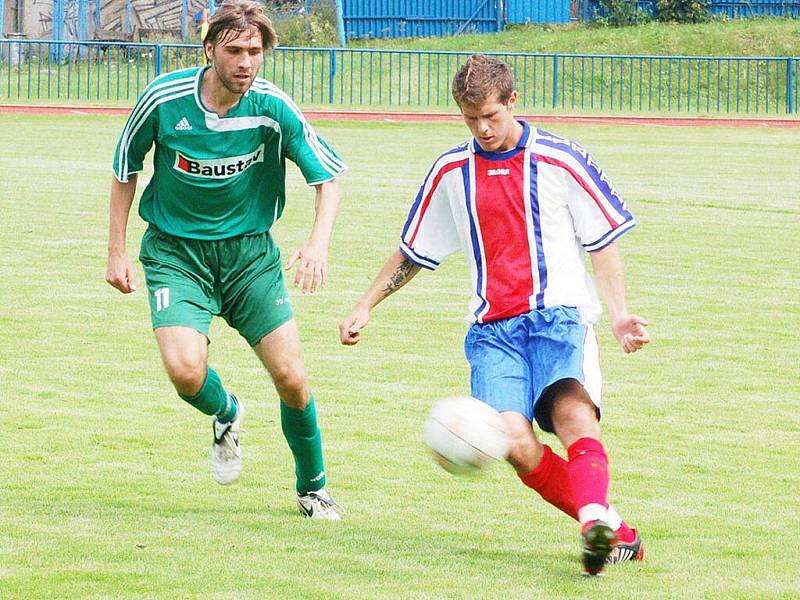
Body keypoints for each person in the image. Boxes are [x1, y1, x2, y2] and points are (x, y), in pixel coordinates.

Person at [339, 54, 649, 573]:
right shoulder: (451, 171)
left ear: (512, 100)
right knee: (515, 443)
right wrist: (364, 304)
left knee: (574, 417)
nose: (482, 128)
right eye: (470, 119)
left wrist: (619, 314)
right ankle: (608, 527)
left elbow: (603, 240)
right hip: (492, 334)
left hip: (558, 319)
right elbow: (413, 251)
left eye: (490, 115)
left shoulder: (560, 159)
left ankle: (594, 517)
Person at [106, 0, 345, 520]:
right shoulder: (164, 99)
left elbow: (327, 181)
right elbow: (126, 168)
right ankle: (227, 410)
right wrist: (117, 250)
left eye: (255, 52)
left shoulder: (273, 107)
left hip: (249, 259)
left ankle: (313, 488)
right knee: (186, 373)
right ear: (209, 48)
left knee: (292, 378)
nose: (245, 62)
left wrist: (317, 244)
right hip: (176, 254)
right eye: (234, 50)